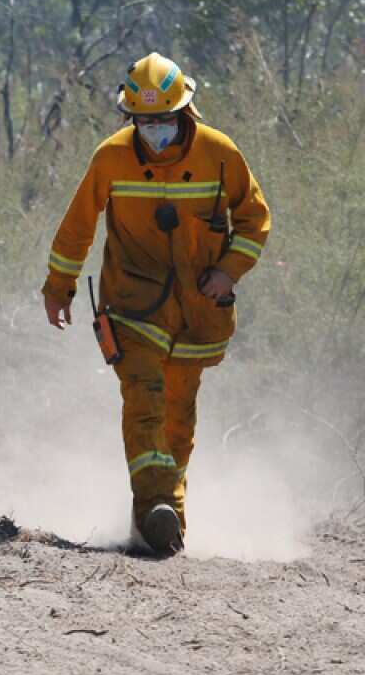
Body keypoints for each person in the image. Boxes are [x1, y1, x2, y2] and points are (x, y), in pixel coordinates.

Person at [41, 52, 271, 555]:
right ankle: (153, 509)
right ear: (130, 118)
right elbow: (77, 228)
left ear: (185, 112)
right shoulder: (111, 157)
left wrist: (227, 271)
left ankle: (166, 525)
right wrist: (59, 288)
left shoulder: (220, 154)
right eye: (144, 121)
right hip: (132, 307)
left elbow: (255, 221)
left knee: (177, 420)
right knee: (143, 401)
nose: (155, 131)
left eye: (163, 120)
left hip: (197, 316)